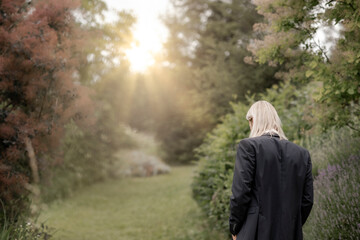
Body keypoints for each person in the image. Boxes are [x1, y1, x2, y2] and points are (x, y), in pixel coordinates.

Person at [229, 100, 313, 240]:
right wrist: (292, 224)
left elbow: (240, 194)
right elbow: (307, 200)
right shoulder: (301, 153)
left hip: (254, 233)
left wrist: (234, 227)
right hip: (290, 233)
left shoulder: (248, 146)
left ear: (253, 121)